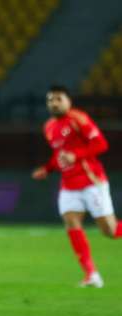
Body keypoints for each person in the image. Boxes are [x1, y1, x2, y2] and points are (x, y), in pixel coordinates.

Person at [32, 85, 120, 288]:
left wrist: (76, 155)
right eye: (50, 100)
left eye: (59, 99)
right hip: (68, 185)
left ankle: (92, 274)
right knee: (71, 222)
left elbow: (101, 144)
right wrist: (47, 169)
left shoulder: (78, 118)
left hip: (91, 181)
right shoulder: (48, 127)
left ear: (68, 101)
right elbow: (59, 154)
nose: (54, 103)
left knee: (110, 230)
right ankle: (91, 274)